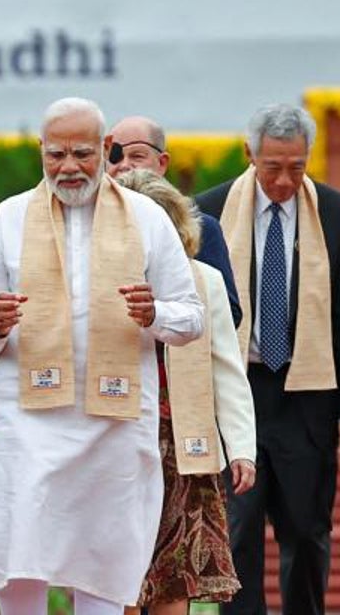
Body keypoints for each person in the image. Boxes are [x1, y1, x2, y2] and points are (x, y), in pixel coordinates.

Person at [0, 97, 204, 614]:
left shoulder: (147, 219)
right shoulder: (9, 218)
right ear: (41, 152)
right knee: (18, 558)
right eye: (56, 155)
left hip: (113, 427)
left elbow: (192, 317)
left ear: (106, 150)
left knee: (105, 569)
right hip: (27, 425)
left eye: (82, 154)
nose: (68, 167)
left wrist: (154, 313)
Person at [197, 103, 340, 615]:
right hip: (235, 392)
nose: (285, 180)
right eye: (273, 167)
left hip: (308, 397)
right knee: (238, 530)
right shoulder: (208, 210)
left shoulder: (336, 214)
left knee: (307, 531)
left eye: (297, 166)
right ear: (250, 154)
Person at [117, 170, 255, 614]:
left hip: (183, 450)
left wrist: (241, 449)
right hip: (115, 443)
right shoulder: (100, 281)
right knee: (118, 578)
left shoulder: (205, 280)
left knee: (175, 579)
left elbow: (227, 371)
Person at [108, 115, 242, 326]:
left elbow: (229, 315)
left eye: (137, 155)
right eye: (114, 157)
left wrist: (163, 314)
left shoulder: (199, 227)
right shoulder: (93, 224)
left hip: (178, 352)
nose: (124, 165)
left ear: (162, 163)